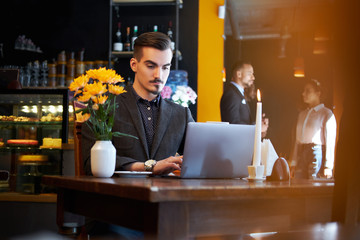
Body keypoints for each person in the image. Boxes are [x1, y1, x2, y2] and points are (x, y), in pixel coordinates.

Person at [82, 31, 194, 176]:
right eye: (151, 66)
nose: (159, 75)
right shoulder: (102, 107)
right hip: (118, 194)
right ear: (134, 65)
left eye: (165, 67)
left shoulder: (181, 114)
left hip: (165, 195)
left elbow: (199, 160)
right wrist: (149, 167)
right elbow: (90, 162)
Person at [290, 79, 336, 179]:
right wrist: (293, 162)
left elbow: (330, 141)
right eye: (303, 90)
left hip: (316, 153)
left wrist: (328, 166)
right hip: (301, 153)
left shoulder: (326, 114)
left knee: (313, 182)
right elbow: (297, 141)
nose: (303, 94)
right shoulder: (302, 114)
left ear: (318, 93)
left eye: (308, 91)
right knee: (299, 183)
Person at [220, 61, 268, 135]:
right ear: (239, 74)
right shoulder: (231, 95)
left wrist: (258, 122)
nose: (253, 77)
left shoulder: (238, 93)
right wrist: (256, 127)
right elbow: (233, 124)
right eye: (250, 74)